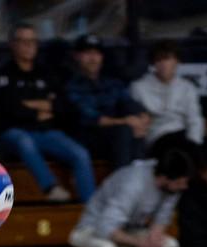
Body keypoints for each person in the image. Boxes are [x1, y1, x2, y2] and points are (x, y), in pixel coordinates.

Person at [0, 23, 95, 205]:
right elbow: (9, 108)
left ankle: (90, 207)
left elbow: (62, 106)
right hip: (12, 133)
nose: (28, 46)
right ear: (13, 45)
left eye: (32, 41)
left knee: (80, 154)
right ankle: (50, 187)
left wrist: (30, 106)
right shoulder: (2, 74)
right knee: (24, 141)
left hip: (45, 132)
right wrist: (41, 108)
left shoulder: (46, 73)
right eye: (23, 41)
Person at [63, 34, 149, 171]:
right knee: (125, 130)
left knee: (135, 128)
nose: (93, 58)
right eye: (87, 53)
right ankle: (124, 183)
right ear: (77, 56)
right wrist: (126, 121)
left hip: (115, 136)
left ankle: (138, 176)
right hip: (87, 138)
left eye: (97, 53)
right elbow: (91, 118)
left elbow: (129, 102)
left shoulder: (111, 82)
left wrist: (142, 117)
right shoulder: (71, 86)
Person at [128, 41, 204, 157]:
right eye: (159, 60)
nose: (163, 64)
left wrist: (194, 144)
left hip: (183, 136)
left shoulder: (187, 87)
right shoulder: (138, 87)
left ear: (177, 61)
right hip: (156, 138)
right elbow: (137, 123)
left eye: (167, 59)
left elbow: (195, 120)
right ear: (153, 63)